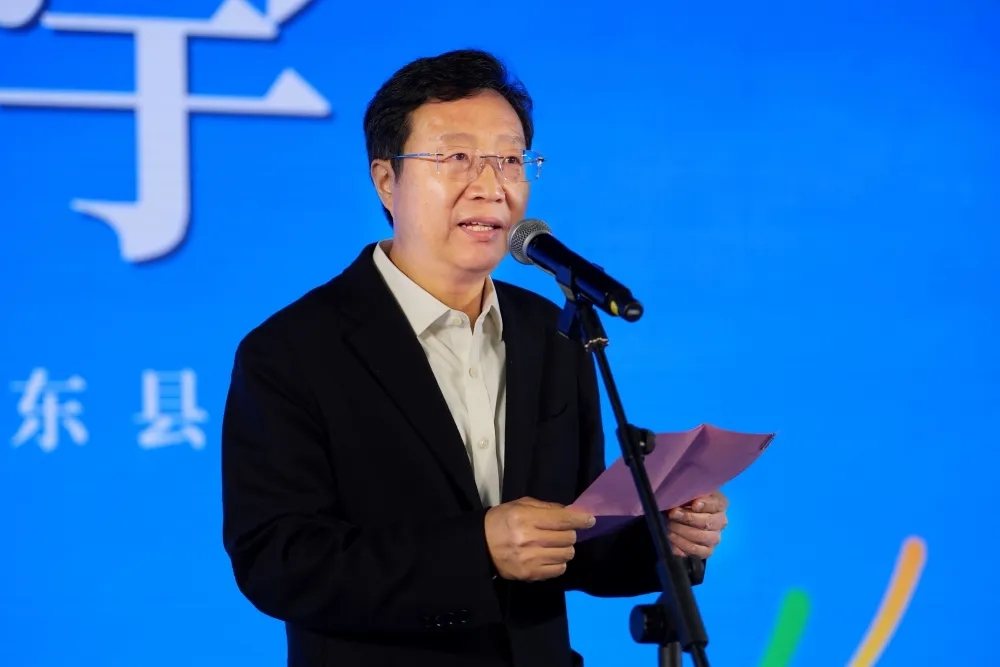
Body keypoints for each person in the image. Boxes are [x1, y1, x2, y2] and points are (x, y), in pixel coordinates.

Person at [220, 48, 729, 667]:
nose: (490, 186)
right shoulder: (292, 350)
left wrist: (661, 535)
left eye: (510, 159)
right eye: (456, 158)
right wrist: (478, 550)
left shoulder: (552, 330)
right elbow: (279, 561)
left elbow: (575, 537)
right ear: (386, 180)